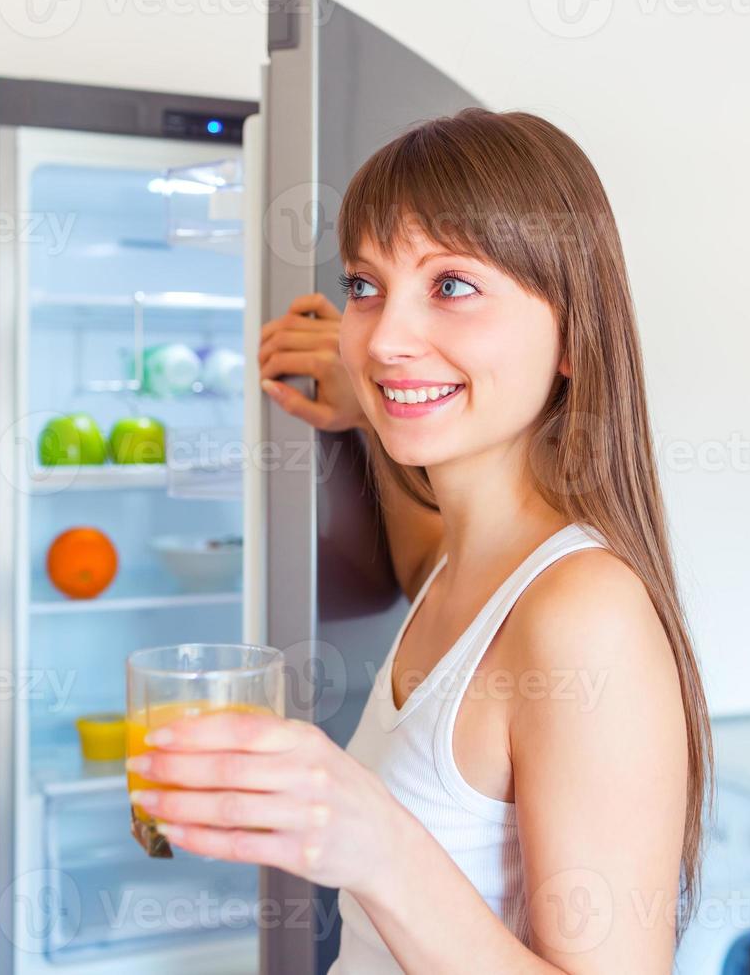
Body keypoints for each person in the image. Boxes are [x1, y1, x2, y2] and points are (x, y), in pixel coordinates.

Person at [125, 107, 712, 973]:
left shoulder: (586, 615)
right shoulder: (463, 557)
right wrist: (369, 412)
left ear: (572, 339)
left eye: (451, 285)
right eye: (365, 286)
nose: (386, 339)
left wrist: (371, 841)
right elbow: (414, 557)